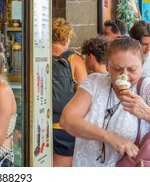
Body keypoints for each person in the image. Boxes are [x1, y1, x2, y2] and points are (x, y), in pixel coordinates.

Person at [60, 37, 150, 166]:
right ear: (107, 66)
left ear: (142, 67)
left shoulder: (146, 88)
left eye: (132, 70)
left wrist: (147, 114)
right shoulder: (95, 82)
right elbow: (67, 119)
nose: (124, 75)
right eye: (117, 69)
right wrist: (109, 137)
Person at [52, 17, 87, 167]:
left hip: (40, 125)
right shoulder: (74, 59)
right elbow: (84, 93)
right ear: (66, 38)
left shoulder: (37, 56)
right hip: (64, 127)